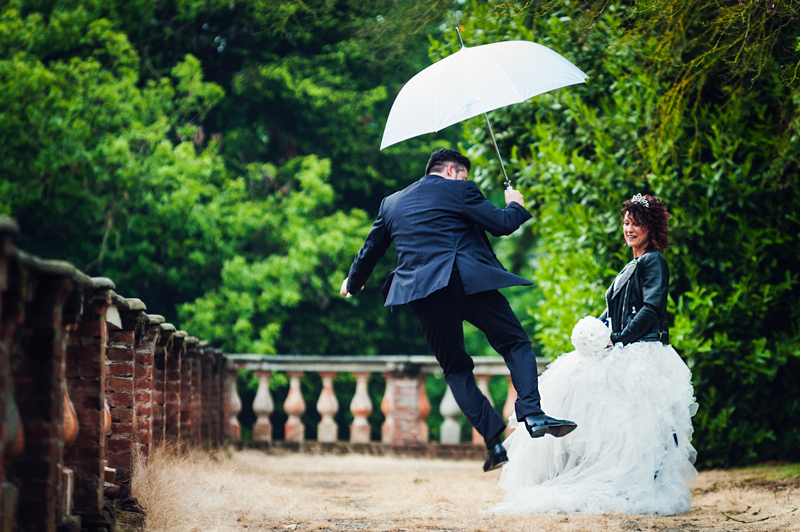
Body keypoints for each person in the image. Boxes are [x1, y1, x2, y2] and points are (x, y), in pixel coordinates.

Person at [340, 148, 576, 472]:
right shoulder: (460, 190)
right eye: (464, 175)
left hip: (423, 294)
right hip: (465, 282)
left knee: (456, 370)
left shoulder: (391, 203)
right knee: (515, 344)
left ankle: (493, 442)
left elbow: (370, 250)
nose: (466, 181)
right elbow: (502, 224)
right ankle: (532, 414)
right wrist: (516, 204)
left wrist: (353, 283)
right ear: (451, 171)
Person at [492, 193, 698, 515]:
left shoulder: (653, 260)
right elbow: (614, 310)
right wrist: (594, 332)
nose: (629, 228)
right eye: (627, 222)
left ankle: (637, 481)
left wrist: (616, 339)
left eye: (637, 223)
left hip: (641, 350)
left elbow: (651, 308)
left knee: (633, 423)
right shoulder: (633, 262)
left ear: (651, 227)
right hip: (622, 345)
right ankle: (576, 470)